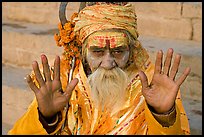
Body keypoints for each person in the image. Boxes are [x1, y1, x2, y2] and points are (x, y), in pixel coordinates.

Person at [8, 2, 191, 135]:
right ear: (82, 51)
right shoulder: (63, 80)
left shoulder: (154, 84)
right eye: (97, 52)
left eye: (118, 51)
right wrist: (46, 118)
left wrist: (164, 115)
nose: (108, 62)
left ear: (132, 49)